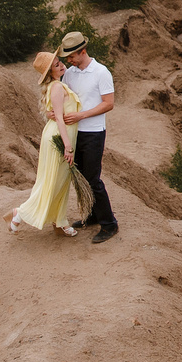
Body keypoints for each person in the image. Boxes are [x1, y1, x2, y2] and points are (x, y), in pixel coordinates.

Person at [9, 54, 86, 236]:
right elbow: (59, 117)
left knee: (61, 181)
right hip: (60, 138)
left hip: (63, 136)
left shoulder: (58, 85)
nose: (61, 66)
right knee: (52, 181)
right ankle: (20, 212)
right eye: (57, 65)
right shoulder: (57, 86)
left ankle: (60, 220)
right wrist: (67, 146)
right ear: (50, 73)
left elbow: (54, 113)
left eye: (60, 63)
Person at [57, 30, 120, 243]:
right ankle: (92, 215)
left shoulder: (101, 72)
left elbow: (108, 103)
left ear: (82, 51)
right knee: (81, 177)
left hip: (93, 132)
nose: (69, 60)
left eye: (72, 56)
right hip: (76, 132)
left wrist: (81, 115)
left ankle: (109, 224)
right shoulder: (70, 73)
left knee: (93, 179)